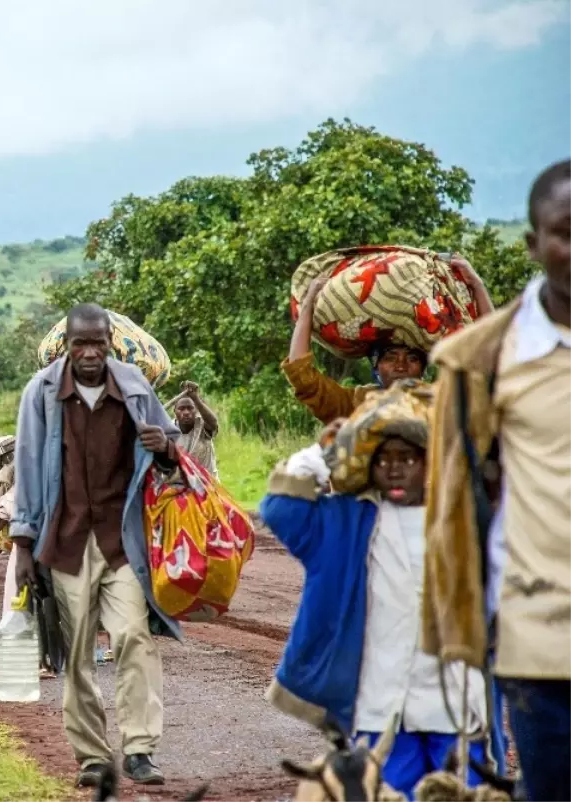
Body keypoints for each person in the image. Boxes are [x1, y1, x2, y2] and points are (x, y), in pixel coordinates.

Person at [423, 159, 571, 801]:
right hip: (539, 635)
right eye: (566, 230)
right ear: (534, 244)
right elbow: (457, 496)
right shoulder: (482, 360)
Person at [261, 401, 495, 800]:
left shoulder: (464, 520)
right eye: (383, 459)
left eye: (407, 458)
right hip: (381, 705)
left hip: (457, 701)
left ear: (430, 463)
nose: (395, 468)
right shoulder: (348, 522)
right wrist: (324, 452)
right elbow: (281, 510)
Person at [11, 303, 181, 789]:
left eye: (97, 343)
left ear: (111, 343)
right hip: (65, 541)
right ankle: (91, 756)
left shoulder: (131, 385)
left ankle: (140, 748)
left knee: (133, 637)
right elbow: (26, 464)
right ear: (67, 344)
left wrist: (164, 445)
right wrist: (23, 545)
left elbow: (172, 445)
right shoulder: (41, 392)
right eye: (79, 344)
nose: (89, 353)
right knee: (78, 650)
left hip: (121, 539)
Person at [283, 255, 494, 424]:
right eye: (390, 357)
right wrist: (309, 303)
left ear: (423, 369)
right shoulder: (353, 404)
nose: (400, 365)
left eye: (412, 358)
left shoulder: (441, 402)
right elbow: (303, 377)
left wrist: (477, 285)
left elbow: (491, 364)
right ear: (375, 366)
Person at [165, 381, 219, 477]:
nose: (186, 412)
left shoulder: (203, 425)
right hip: (179, 485)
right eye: (181, 408)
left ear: (196, 410)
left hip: (207, 483)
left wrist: (196, 398)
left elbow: (213, 424)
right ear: (174, 411)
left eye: (190, 408)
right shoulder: (168, 431)